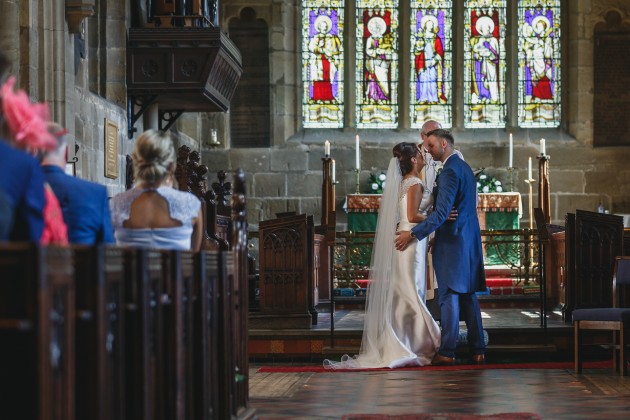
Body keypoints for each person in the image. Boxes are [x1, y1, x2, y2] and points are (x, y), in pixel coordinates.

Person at [325, 142, 441, 369]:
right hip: (411, 241)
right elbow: (413, 215)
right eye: (420, 153)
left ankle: (403, 339)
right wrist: (437, 215)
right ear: (414, 160)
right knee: (409, 290)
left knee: (405, 289)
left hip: (407, 239)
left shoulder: (404, 182)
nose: (423, 155)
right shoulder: (415, 183)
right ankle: (422, 341)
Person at [395, 129, 486, 365]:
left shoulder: (449, 172)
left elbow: (442, 213)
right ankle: (478, 349)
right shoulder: (464, 167)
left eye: (432, 145)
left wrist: (412, 234)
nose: (429, 150)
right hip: (467, 240)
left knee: (448, 295)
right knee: (467, 296)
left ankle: (447, 351)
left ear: (444, 144)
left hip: (452, 242)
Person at [109, 129, 203, 251]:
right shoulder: (191, 205)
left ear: (136, 163)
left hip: (132, 270)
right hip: (175, 270)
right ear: (172, 166)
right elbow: (193, 259)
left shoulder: (115, 204)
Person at [41, 123, 115, 245]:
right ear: (66, 153)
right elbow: (109, 250)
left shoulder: (20, 190)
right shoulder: (95, 194)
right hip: (82, 263)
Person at [414, 14, 447, 104]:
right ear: (425, 25)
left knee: (433, 79)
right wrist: (418, 49)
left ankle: (433, 98)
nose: (431, 26)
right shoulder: (421, 37)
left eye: (432, 25)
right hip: (423, 62)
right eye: (429, 24)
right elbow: (417, 50)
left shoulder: (436, 38)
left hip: (432, 62)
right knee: (423, 79)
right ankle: (423, 97)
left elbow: (440, 51)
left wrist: (435, 59)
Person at [308, 14, 342, 103]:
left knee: (327, 78)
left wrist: (328, 52)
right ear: (319, 27)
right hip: (318, 60)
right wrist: (320, 48)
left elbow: (334, 49)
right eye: (323, 26)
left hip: (327, 60)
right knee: (318, 78)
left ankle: (328, 97)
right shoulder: (316, 37)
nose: (324, 28)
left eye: (326, 26)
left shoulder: (331, 37)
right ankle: (317, 97)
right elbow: (311, 47)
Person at [471, 15, 500, 103]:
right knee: (481, 80)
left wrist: (489, 54)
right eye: (484, 28)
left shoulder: (493, 40)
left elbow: (496, 54)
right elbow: (475, 51)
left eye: (487, 28)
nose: (486, 29)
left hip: (491, 64)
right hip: (481, 64)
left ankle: (493, 98)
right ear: (481, 30)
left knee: (492, 80)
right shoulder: (479, 40)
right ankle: (483, 96)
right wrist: (479, 53)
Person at [365, 16, 393, 103]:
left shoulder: (384, 38)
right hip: (374, 61)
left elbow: (390, 49)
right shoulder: (370, 39)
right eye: (374, 28)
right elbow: (367, 50)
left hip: (383, 62)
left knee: (383, 79)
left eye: (378, 28)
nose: (376, 29)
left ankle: (384, 97)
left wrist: (384, 51)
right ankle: (374, 97)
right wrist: (376, 51)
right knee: (374, 79)